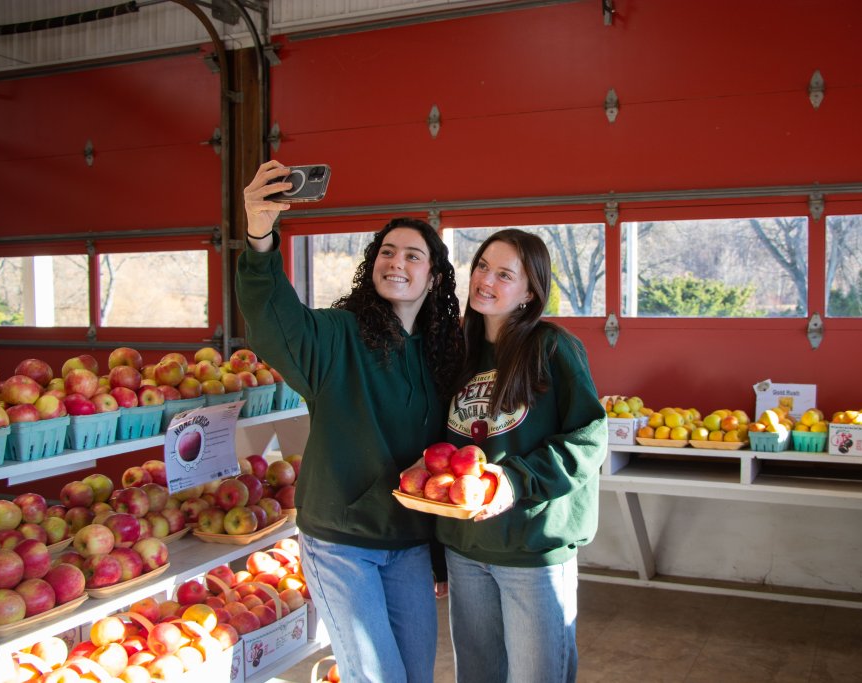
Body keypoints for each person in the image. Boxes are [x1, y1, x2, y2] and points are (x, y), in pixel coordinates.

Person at [235, 160, 463, 683]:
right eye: (386, 252)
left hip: (407, 542)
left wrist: (439, 552)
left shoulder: (444, 355)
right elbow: (274, 320)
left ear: (434, 275)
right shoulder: (336, 338)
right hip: (341, 541)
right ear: (371, 263)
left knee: (415, 673)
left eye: (413, 255)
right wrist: (260, 234)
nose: (396, 263)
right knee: (378, 676)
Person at [436, 229, 607, 683]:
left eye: (505, 274)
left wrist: (514, 480)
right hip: (466, 549)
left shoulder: (552, 348)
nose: (486, 280)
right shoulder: (458, 352)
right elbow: (440, 451)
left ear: (531, 292)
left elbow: (589, 439)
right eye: (482, 267)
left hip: (532, 549)